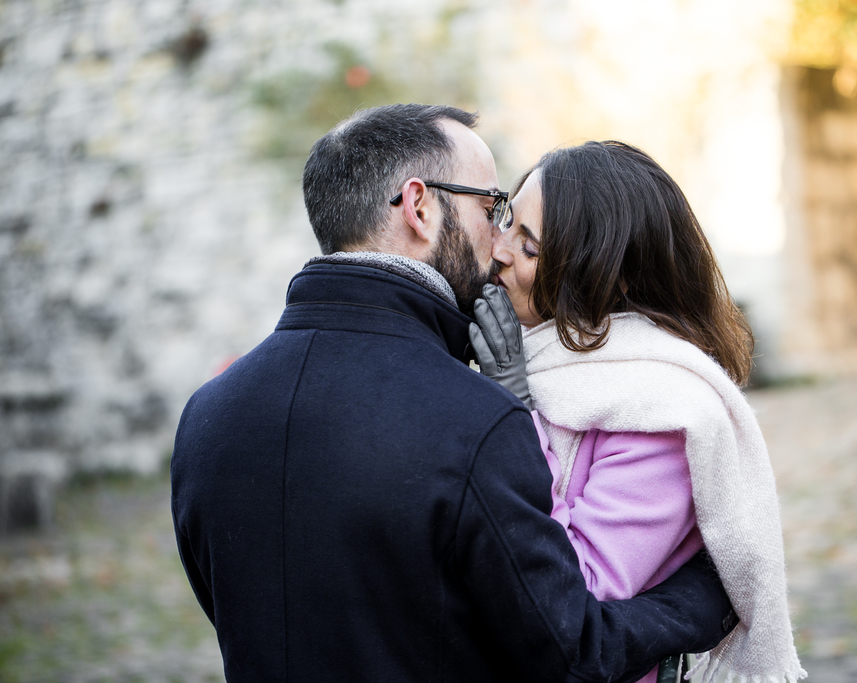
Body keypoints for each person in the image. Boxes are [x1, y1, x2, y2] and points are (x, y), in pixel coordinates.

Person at [170, 105, 738, 683]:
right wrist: (704, 599)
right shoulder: (476, 423)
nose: (498, 243)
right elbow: (569, 649)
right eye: (492, 209)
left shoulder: (206, 418)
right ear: (419, 207)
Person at [470, 140, 807, 683]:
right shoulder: (527, 352)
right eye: (506, 220)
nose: (499, 250)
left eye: (530, 248)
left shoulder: (661, 411)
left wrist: (514, 411)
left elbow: (574, 589)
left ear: (605, 277)